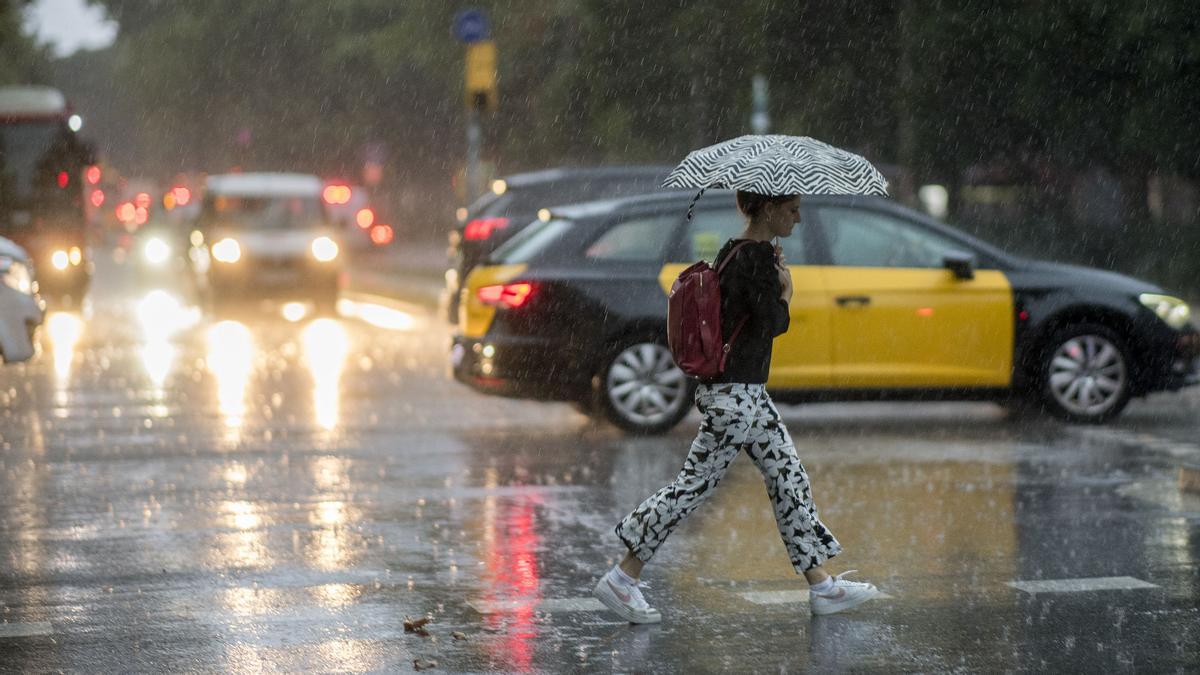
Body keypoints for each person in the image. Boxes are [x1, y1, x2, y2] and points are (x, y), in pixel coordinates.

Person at [593, 190, 880, 623]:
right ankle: (622, 577)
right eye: (792, 209)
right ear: (767, 208)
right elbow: (771, 324)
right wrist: (785, 290)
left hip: (745, 393)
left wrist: (772, 273)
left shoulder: (734, 249)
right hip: (734, 397)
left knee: (787, 477)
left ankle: (823, 586)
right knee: (693, 488)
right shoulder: (755, 259)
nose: (798, 219)